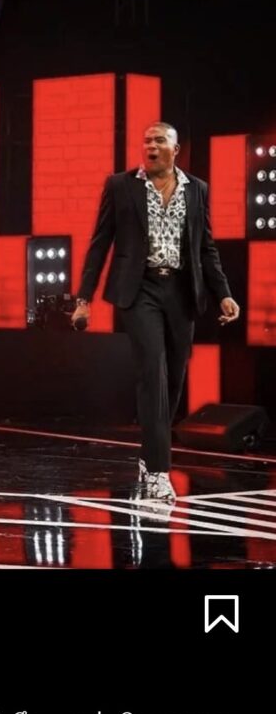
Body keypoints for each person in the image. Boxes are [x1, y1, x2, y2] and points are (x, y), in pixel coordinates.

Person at [72, 122, 240, 503]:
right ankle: (158, 472)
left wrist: (224, 294)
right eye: (146, 141)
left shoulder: (197, 189)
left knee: (173, 379)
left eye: (159, 140)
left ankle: (149, 456)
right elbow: (100, 244)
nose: (150, 146)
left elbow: (206, 248)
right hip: (140, 289)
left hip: (181, 291)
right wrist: (84, 299)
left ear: (175, 150)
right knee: (153, 370)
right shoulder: (121, 186)